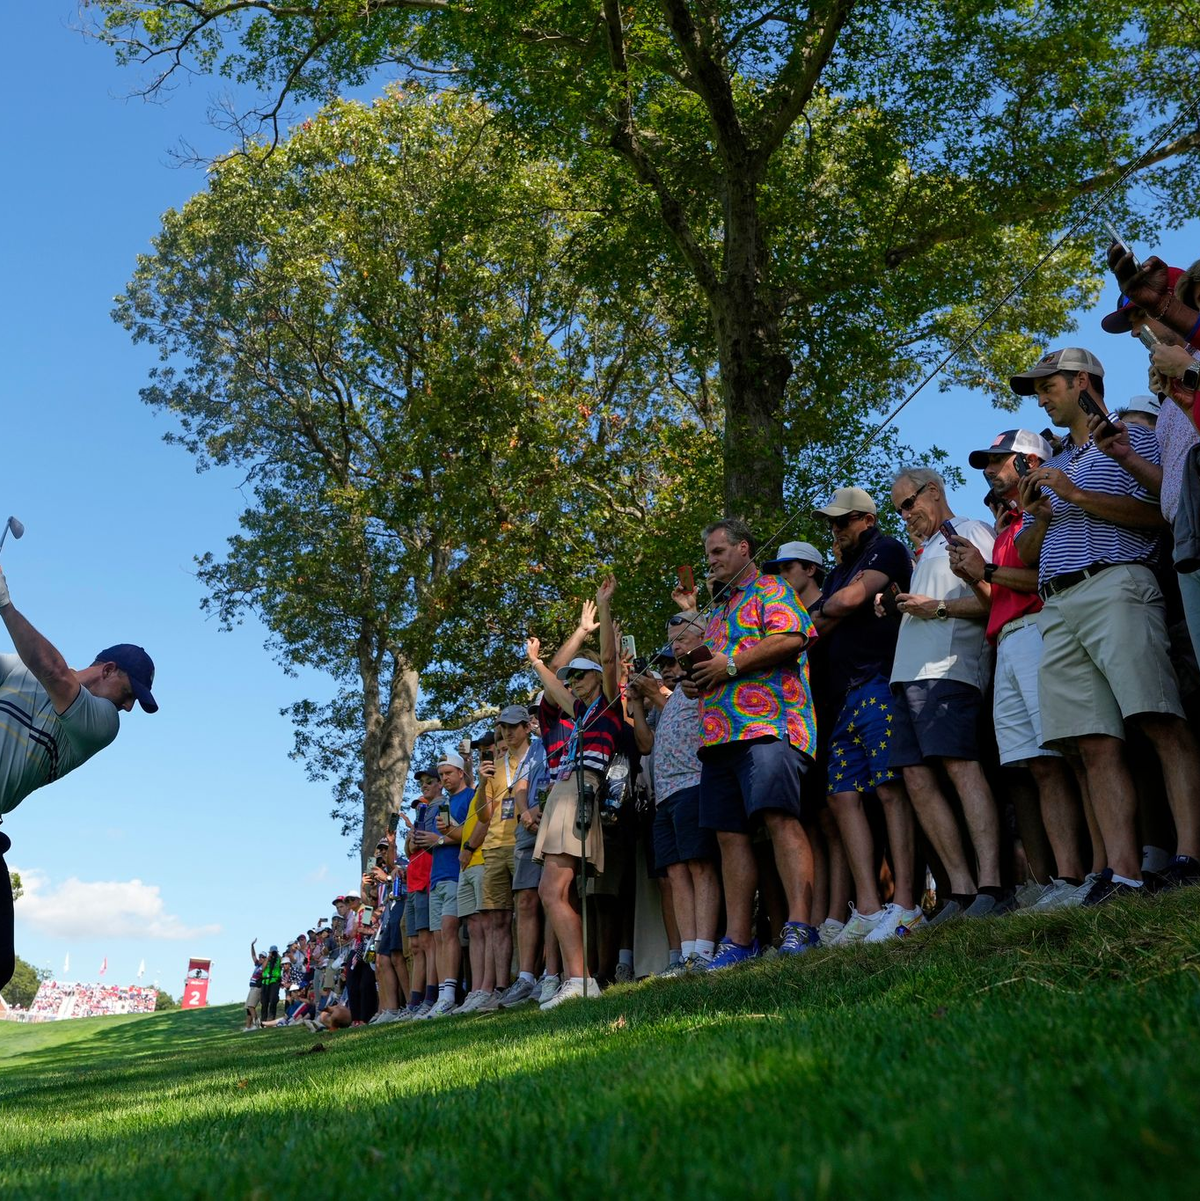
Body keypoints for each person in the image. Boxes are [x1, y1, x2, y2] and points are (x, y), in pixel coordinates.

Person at [1012, 346, 1200, 901]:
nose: (1042, 397)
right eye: (1038, 389)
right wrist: (1044, 514)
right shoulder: (1058, 459)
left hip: (1117, 581)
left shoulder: (1132, 439)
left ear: (1085, 382)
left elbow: (1162, 514)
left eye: (1050, 385)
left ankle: (1191, 854)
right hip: (1058, 601)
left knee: (1158, 717)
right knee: (1092, 741)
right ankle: (1123, 872)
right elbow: (1025, 556)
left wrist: (1074, 494)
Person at [0, 562, 158, 991]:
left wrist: (5, 605)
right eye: (129, 695)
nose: (127, 708)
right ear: (107, 670)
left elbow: (54, 672)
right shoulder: (15, 668)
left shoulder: (103, 724)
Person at [949, 431, 1088, 909]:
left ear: (1028, 460)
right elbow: (999, 599)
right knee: (1034, 766)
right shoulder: (1009, 526)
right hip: (1005, 639)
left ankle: (1082, 873)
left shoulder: (1045, 506)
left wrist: (986, 572)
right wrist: (975, 573)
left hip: (1037, 631)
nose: (989, 470)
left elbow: (1038, 580)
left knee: (1063, 756)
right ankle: (1059, 881)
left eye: (997, 461)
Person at [683, 517, 821, 967]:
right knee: (728, 835)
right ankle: (738, 941)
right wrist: (699, 678)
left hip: (769, 726)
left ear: (744, 549)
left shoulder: (771, 589)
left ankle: (801, 926)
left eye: (718, 552)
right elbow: (719, 665)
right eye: (708, 555)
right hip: (718, 736)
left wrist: (729, 666)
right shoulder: (718, 611)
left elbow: (793, 637)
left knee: (780, 819)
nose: (712, 562)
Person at [886, 467, 1004, 921]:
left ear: (933, 491)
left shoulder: (969, 529)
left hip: (950, 671)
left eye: (909, 503)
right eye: (899, 510)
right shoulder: (927, 551)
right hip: (908, 676)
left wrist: (932, 607)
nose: (906, 515)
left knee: (961, 768)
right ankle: (960, 890)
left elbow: (994, 596)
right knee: (916, 778)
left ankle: (992, 883)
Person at [805, 487, 921, 942]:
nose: (835, 531)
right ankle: (869, 907)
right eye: (831, 524)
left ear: (866, 520)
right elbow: (823, 617)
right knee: (842, 796)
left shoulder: (886, 548)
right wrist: (825, 609)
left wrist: (826, 610)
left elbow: (847, 604)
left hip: (880, 680)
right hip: (842, 696)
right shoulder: (837, 573)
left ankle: (907, 904)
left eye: (842, 522)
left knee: (890, 789)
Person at [527, 577, 624, 1007]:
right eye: (574, 678)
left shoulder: (607, 705)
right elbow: (552, 683)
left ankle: (580, 980)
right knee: (555, 891)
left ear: (598, 678)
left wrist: (602, 609)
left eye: (584, 676)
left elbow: (606, 656)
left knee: (552, 890)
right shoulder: (579, 711)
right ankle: (578, 978)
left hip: (579, 792)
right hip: (565, 794)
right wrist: (536, 662)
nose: (577, 681)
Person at [636, 610, 719, 971]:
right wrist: (638, 701)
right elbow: (645, 742)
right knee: (675, 871)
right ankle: (687, 953)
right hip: (665, 795)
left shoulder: (706, 673)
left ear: (704, 634)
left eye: (681, 639)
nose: (676, 649)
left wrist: (653, 690)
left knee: (700, 865)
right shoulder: (672, 694)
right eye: (671, 643)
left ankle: (704, 947)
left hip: (695, 783)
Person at [244, 941, 266, 1031]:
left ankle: (257, 1024)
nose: (260, 958)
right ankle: (248, 1027)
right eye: (260, 956)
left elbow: (265, 963)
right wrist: (252, 946)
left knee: (251, 1006)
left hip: (257, 988)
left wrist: (268, 957)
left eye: (263, 957)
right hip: (251, 988)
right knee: (248, 1009)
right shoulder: (257, 964)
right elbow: (253, 956)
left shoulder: (264, 966)